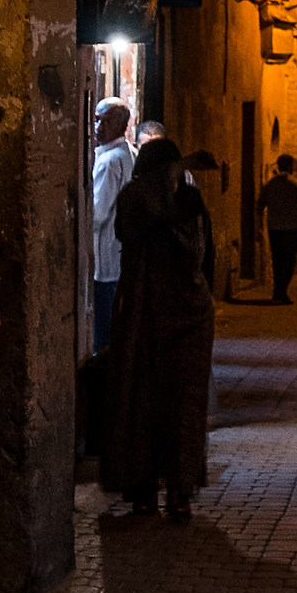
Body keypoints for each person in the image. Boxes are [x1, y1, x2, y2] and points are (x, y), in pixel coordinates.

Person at [100, 137, 216, 521]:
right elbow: (205, 261)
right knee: (182, 407)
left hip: (145, 319)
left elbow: (134, 218)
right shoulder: (184, 201)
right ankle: (177, 493)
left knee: (142, 403)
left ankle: (149, 491)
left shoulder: (140, 199)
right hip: (189, 314)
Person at [91, 99, 135, 354]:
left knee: (104, 334)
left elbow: (96, 215)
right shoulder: (129, 154)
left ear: (122, 125)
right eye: (97, 119)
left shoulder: (109, 162)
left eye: (107, 121)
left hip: (105, 261)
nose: (99, 126)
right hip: (120, 258)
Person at [257, 153, 297, 304]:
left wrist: (259, 226)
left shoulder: (270, 184)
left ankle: (278, 291)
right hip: (292, 228)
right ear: (289, 166)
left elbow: (260, 205)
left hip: (274, 228)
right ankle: (282, 291)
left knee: (277, 260)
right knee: (289, 261)